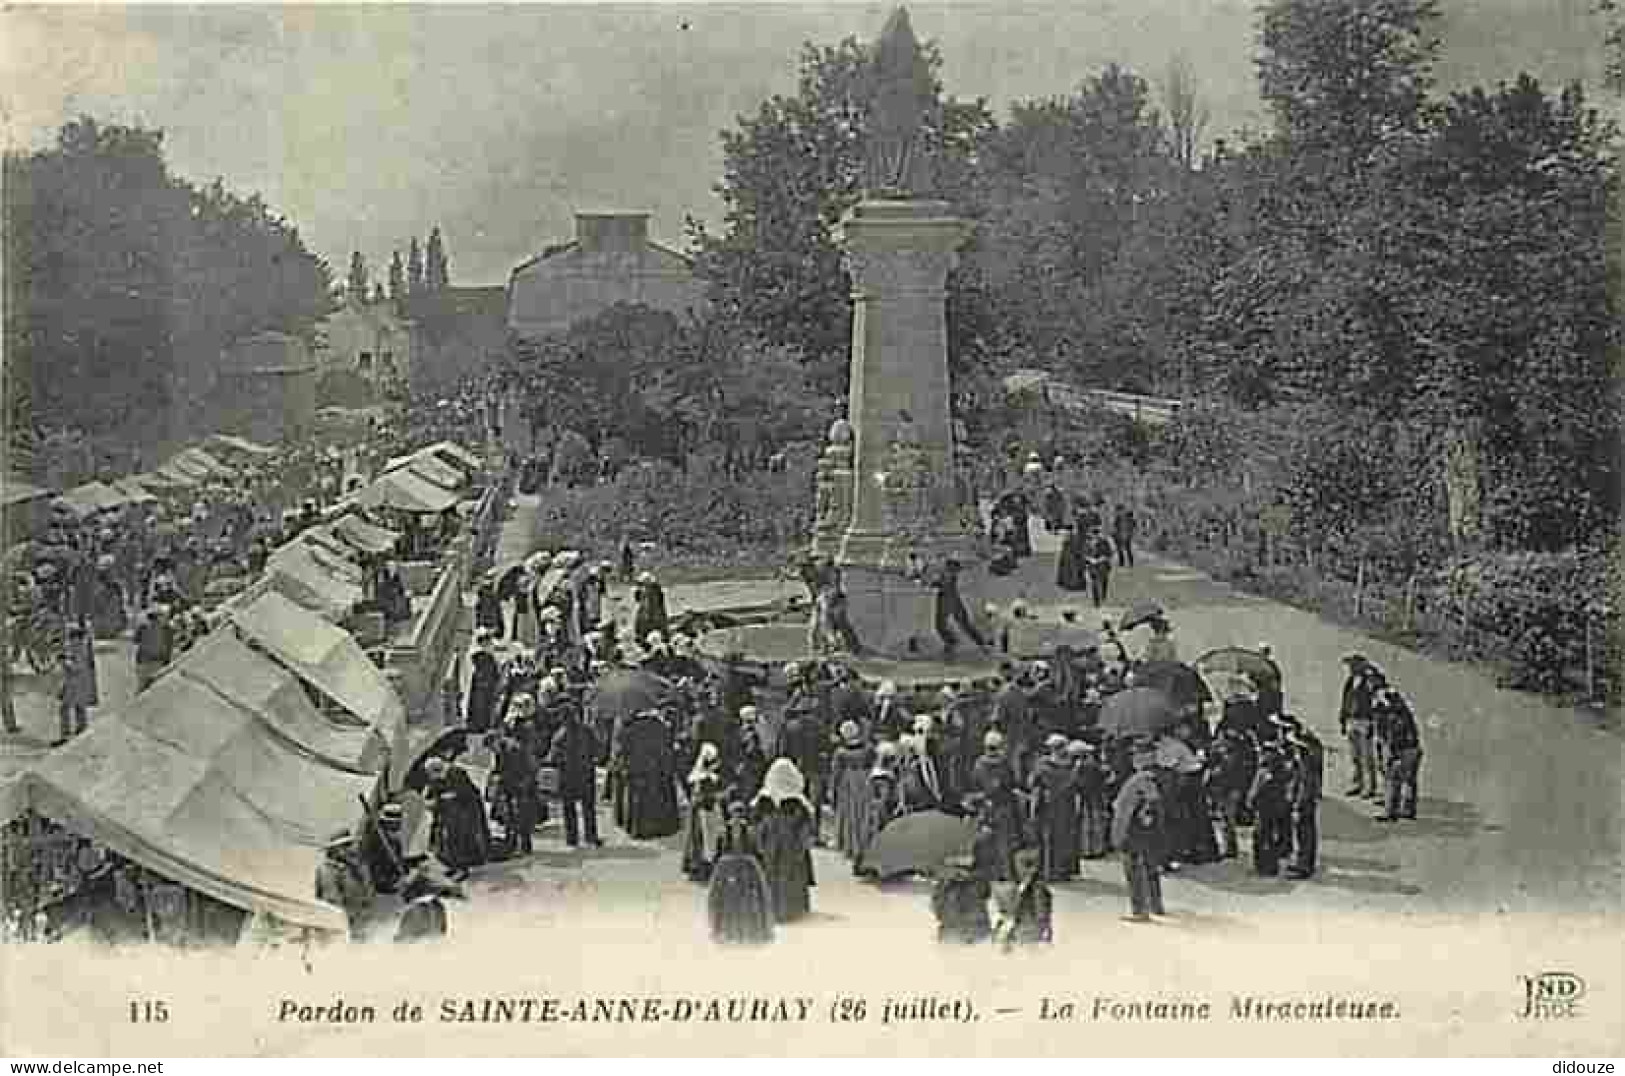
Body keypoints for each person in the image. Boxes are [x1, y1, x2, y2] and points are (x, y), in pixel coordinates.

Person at [752, 759, 816, 924]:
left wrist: (760, 842)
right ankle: (791, 910)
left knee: (772, 875)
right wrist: (803, 844)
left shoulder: (764, 799)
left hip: (771, 844)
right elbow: (806, 826)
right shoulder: (798, 802)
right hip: (790, 844)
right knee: (791, 876)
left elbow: (756, 822)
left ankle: (773, 909)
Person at [706, 802, 774, 945]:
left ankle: (746, 930)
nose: (737, 816)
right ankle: (728, 931)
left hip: (745, 865)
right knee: (728, 899)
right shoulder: (724, 831)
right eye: (735, 813)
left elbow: (756, 849)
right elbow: (719, 851)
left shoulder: (749, 831)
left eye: (739, 813)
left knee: (746, 898)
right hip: (727, 866)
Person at [1111, 745, 1166, 921]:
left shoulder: (1143, 779)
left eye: (1137, 754)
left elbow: (1150, 802)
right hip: (1144, 831)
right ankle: (1155, 905)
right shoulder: (1154, 777)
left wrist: (1144, 817)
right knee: (1150, 867)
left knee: (1134, 869)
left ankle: (1140, 910)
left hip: (1134, 830)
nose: (1134, 758)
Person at [424, 757, 490, 881]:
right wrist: (433, 801)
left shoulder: (456, 772)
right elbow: (433, 793)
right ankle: (452, 865)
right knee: (445, 840)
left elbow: (466, 793)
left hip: (465, 810)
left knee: (460, 840)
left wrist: (448, 797)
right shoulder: (435, 778)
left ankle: (462, 869)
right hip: (449, 812)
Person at [618, 709, 681, 839]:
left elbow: (623, 749)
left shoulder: (629, 729)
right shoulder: (661, 727)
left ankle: (638, 830)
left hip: (638, 767)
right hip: (657, 767)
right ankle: (660, 828)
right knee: (657, 798)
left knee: (638, 800)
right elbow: (667, 746)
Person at [548, 702, 603, 848]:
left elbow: (553, 758)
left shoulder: (559, 736)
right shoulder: (587, 731)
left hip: (567, 776)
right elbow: (598, 749)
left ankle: (572, 838)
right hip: (586, 774)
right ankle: (591, 837)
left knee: (569, 809)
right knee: (588, 808)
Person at [970, 730, 1021, 881]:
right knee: (1004, 842)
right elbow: (1011, 782)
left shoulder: (979, 763)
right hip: (1003, 806)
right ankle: (1006, 873)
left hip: (985, 806)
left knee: (984, 841)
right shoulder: (1004, 763)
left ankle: (985, 872)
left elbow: (975, 783)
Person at [1029, 734, 1080, 881]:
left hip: (1048, 804)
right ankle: (1061, 870)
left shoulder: (1042, 766)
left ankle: (1047, 870)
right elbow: (1076, 786)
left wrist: (1033, 807)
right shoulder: (1071, 767)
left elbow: (1033, 783)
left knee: (1048, 837)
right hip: (1065, 805)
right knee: (1063, 837)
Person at [1280, 715, 1323, 878]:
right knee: (1304, 831)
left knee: (1304, 832)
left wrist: (1297, 802)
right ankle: (1303, 862)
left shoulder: (1305, 759)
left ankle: (1304, 865)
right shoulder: (1310, 752)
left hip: (1305, 799)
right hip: (1307, 797)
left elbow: (1305, 783)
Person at [491, 718, 541, 857]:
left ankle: (524, 846)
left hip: (519, 784)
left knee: (520, 816)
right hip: (511, 784)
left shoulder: (513, 749)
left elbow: (524, 767)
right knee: (509, 817)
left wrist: (522, 783)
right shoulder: (504, 748)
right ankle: (512, 844)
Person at [1374, 684, 1423, 821]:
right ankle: (1408, 810)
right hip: (1412, 749)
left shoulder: (1394, 716)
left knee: (1393, 780)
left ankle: (1390, 812)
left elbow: (1394, 737)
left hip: (1404, 750)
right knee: (1408, 781)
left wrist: (1392, 754)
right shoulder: (1403, 713)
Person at [1246, 736, 1294, 877]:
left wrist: (1250, 800)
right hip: (1278, 806)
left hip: (1264, 807)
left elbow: (1255, 789)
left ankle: (1264, 866)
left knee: (1261, 837)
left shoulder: (1264, 769)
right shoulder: (1284, 768)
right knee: (1272, 836)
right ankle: (1271, 865)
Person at [830, 721, 874, 866]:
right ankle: (863, 846)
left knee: (850, 815)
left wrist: (832, 789)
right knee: (863, 814)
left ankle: (850, 846)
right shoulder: (868, 748)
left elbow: (835, 772)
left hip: (847, 782)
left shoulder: (840, 752)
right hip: (864, 781)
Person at [1338, 654, 1381, 801]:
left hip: (1364, 721)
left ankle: (1370, 787)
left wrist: (1372, 723)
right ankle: (1357, 784)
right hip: (1351, 720)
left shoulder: (1369, 681)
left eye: (1353, 665)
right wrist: (1343, 720)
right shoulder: (1350, 681)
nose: (1350, 668)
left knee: (1367, 757)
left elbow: (1377, 700)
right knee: (1354, 756)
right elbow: (1345, 701)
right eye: (1350, 666)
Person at [994, 846, 1053, 950]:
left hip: (1029, 937)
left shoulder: (1036, 889)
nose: (1016, 869)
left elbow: (1041, 914)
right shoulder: (1021, 887)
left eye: (1020, 865)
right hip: (1023, 935)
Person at [682, 743, 726, 881]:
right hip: (704, 812)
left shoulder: (702, 775)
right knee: (703, 840)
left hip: (704, 811)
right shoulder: (704, 778)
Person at [930, 558, 987, 658]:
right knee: (955, 624)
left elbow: (943, 583)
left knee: (945, 625)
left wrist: (936, 583)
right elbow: (941, 582)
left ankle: (955, 643)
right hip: (950, 600)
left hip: (948, 600)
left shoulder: (949, 574)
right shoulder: (949, 574)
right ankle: (954, 643)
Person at [931, 853, 992, 945]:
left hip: (959, 894)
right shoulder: (981, 935)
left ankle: (958, 870)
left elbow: (939, 905)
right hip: (966, 892)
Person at [1069, 740, 1112, 859]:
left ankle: (1087, 849)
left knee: (1086, 822)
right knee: (1095, 821)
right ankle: (1096, 848)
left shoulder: (1081, 765)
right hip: (1094, 795)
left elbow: (1075, 781)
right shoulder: (1093, 764)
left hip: (1085, 795)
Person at [55, 624, 94, 745]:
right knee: (79, 708)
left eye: (72, 636)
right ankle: (81, 732)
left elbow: (77, 666)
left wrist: (64, 662)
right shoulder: (78, 647)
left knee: (65, 709)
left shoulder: (80, 648)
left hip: (76, 683)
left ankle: (66, 735)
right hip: (76, 683)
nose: (70, 639)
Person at [465, 630, 501, 733]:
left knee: (485, 706)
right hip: (480, 686)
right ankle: (477, 725)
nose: (488, 644)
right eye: (485, 641)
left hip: (487, 685)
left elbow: (495, 673)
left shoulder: (489, 657)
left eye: (488, 641)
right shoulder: (479, 656)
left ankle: (482, 725)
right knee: (479, 706)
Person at [133, 604, 173, 693]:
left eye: (167, 616)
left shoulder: (168, 629)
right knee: (144, 689)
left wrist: (167, 660)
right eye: (162, 616)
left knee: (151, 690)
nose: (165, 618)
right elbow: (136, 641)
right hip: (146, 662)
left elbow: (169, 646)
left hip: (156, 662)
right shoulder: (144, 627)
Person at [632, 572, 668, 647]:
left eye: (647, 581)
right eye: (645, 581)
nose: (646, 583)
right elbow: (638, 600)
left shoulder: (657, 589)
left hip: (655, 612)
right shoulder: (640, 589)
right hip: (645, 611)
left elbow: (660, 602)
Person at [1112, 504, 1137, 568]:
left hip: (1126, 535)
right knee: (1120, 550)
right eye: (1118, 511)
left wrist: (1130, 533)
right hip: (1119, 535)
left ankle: (1130, 564)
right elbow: (1115, 526)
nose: (1118, 512)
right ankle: (1122, 563)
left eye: (1119, 511)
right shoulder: (1118, 518)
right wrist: (1115, 534)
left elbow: (1134, 526)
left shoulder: (1129, 518)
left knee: (1128, 550)